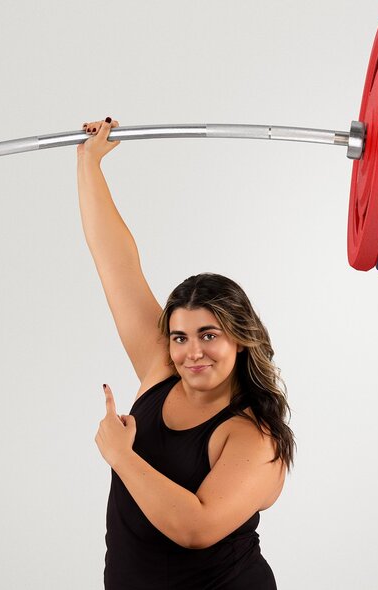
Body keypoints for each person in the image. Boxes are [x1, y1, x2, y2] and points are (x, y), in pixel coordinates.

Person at [78, 117, 295, 590]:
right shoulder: (161, 372)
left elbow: (195, 528)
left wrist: (122, 455)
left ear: (241, 337)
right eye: (179, 337)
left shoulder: (254, 438)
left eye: (209, 335)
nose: (192, 352)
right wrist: (88, 163)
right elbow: (115, 261)